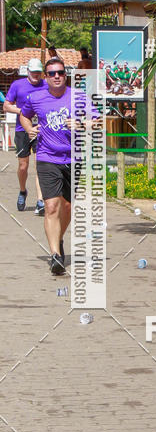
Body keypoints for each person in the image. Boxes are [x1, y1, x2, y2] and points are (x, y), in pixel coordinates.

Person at [19, 57, 99, 276]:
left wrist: (82, 123)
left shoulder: (78, 97)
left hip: (74, 159)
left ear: (66, 75)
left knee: (66, 208)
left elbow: (98, 120)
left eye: (60, 73)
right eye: (52, 73)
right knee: (52, 206)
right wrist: (29, 129)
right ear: (46, 76)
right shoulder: (36, 98)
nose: (56, 76)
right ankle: (55, 254)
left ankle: (59, 237)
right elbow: (24, 116)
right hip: (47, 157)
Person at [3, 58, 47, 214]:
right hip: (22, 130)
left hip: (41, 130)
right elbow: (6, 105)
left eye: (38, 72)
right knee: (23, 165)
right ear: (27, 71)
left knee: (40, 165)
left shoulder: (46, 85)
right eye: (33, 72)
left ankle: (40, 201)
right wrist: (22, 111)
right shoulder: (17, 85)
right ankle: (22, 191)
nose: (36, 75)